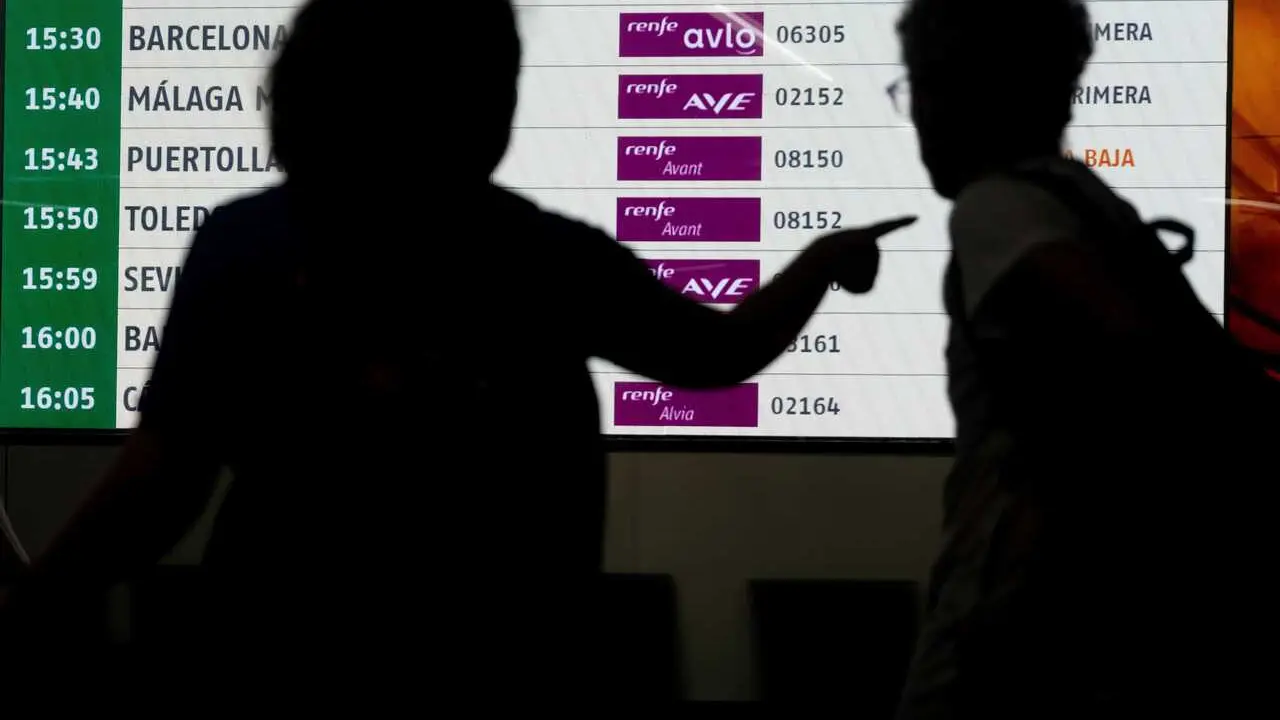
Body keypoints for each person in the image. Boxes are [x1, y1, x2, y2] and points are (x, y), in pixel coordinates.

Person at [0, 0, 913, 684]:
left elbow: (164, 478)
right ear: (475, 105)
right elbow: (714, 355)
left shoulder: (250, 244)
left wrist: (34, 599)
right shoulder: (542, 256)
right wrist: (821, 264)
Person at [893, 0, 1267, 717]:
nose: (917, 118)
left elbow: (1148, 364)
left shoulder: (996, 209)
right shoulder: (1091, 203)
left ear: (959, 92)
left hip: (1013, 637)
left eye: (920, 86)